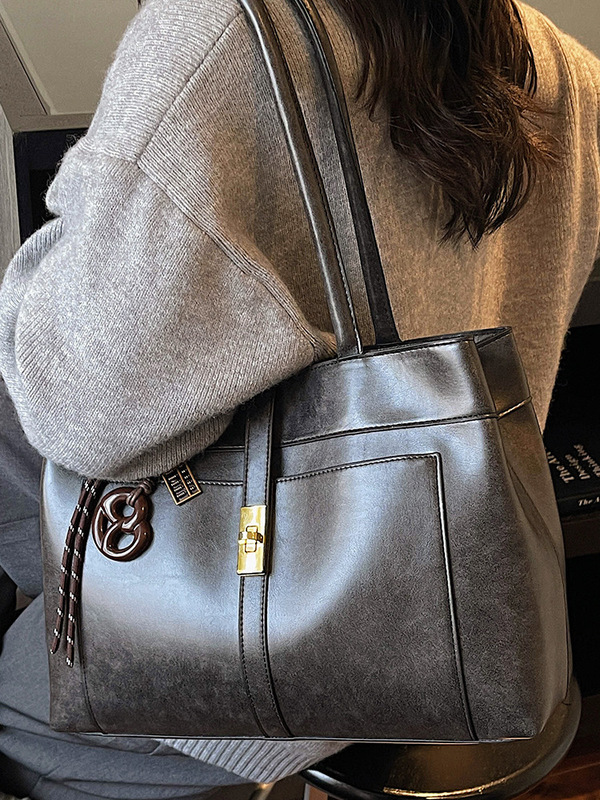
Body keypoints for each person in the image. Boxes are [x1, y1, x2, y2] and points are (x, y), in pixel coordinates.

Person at [1, 0, 599, 796]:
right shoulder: (564, 68)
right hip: (465, 612)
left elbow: (82, 412)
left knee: (17, 705)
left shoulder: (220, 37)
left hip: (285, 653)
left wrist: (83, 222)